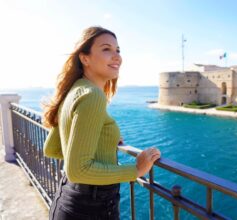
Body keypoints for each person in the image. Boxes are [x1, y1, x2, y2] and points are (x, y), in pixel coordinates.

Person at [42, 26, 161, 220]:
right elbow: (78, 171)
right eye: (106, 49)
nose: (117, 56)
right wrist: (136, 170)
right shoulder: (92, 96)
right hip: (91, 209)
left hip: (67, 202)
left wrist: (100, 142)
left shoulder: (74, 90)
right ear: (85, 58)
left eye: (118, 50)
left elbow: (52, 148)